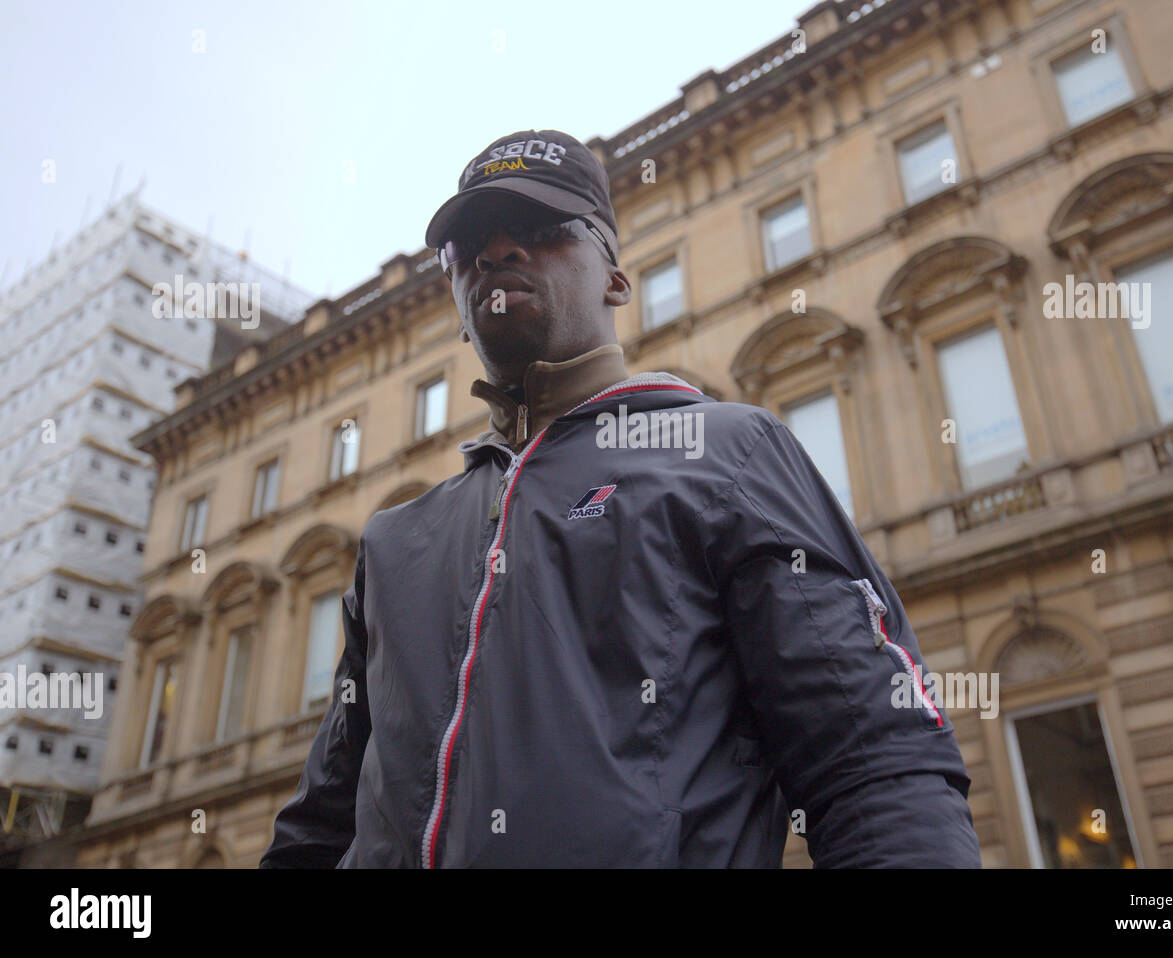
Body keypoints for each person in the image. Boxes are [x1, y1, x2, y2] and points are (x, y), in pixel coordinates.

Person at [260, 129, 981, 868]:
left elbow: (874, 765)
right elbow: (320, 826)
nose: (496, 253)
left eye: (541, 229)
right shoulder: (393, 542)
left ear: (615, 279)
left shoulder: (728, 454)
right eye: (468, 244)